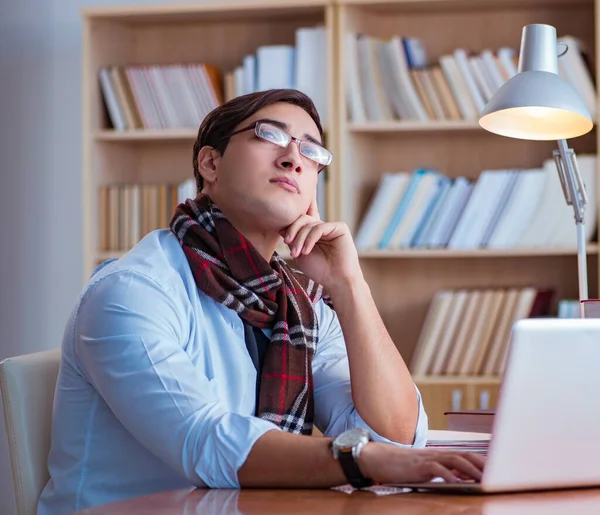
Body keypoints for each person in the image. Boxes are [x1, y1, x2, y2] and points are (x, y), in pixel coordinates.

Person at [38, 89, 484, 515]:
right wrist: (361, 459)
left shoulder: (300, 305)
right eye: (268, 135)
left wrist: (350, 287)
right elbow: (204, 441)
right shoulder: (133, 290)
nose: (293, 157)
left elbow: (396, 438)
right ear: (210, 163)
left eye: (311, 151)